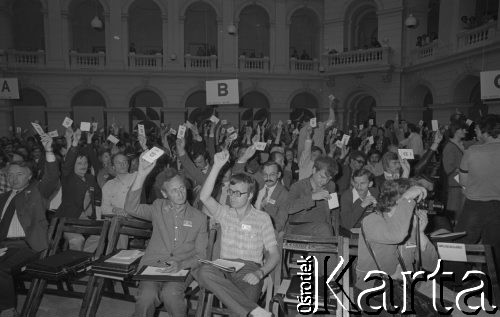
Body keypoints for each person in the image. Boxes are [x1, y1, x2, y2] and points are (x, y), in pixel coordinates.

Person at [196, 150, 279, 317]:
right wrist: (217, 166)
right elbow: (204, 197)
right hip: (223, 267)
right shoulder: (225, 212)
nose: (232, 197)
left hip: (248, 270)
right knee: (203, 271)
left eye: (237, 193)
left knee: (237, 311)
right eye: (230, 192)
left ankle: (245, 310)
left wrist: (259, 273)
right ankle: (254, 311)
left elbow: (274, 255)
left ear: (249, 196)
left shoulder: (263, 218)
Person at [125, 156, 208, 317]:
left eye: (182, 188)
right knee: (145, 297)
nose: (180, 193)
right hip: (153, 265)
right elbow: (130, 207)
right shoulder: (158, 207)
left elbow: (202, 255)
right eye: (174, 190)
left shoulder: (199, 217)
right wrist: (141, 175)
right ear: (164, 193)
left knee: (171, 296)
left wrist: (182, 264)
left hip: (182, 268)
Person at [0, 135, 59, 317]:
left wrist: (48, 151)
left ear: (30, 176)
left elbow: (52, 177)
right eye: (10, 175)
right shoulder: (2, 197)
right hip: (4, 246)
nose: (13, 179)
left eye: (19, 175)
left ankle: (8, 311)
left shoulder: (35, 191)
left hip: (28, 245)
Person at [457, 114, 500, 276]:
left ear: (484, 131)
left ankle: (457, 281)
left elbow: (463, 180)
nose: (475, 132)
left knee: (461, 243)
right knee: (495, 249)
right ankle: (493, 290)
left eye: (476, 129)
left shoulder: (472, 152)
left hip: (475, 205)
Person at [56, 128, 102, 251]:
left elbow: (98, 197)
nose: (83, 166)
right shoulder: (68, 177)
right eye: (79, 163)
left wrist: (97, 217)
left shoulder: (90, 178)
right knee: (77, 240)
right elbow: (68, 163)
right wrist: (74, 143)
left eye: (85, 163)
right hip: (68, 219)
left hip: (87, 220)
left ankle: (85, 259)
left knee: (101, 235)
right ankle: (74, 262)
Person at [101, 153, 137, 248]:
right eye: (118, 162)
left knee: (117, 222)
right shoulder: (108, 185)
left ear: (128, 164)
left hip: (135, 217)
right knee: (116, 221)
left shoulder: (136, 177)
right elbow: (104, 209)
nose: (122, 164)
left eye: (125, 162)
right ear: (113, 167)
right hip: (118, 219)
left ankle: (115, 256)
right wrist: (115, 210)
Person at [441, 122, 466, 223]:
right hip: (454, 184)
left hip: (460, 183)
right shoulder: (450, 147)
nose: (465, 131)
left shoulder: (460, 145)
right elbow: (448, 167)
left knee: (459, 214)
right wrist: (461, 169)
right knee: (455, 215)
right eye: (463, 129)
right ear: (456, 131)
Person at [255, 161, 289, 234]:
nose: (268, 178)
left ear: (279, 175)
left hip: (270, 234)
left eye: (272, 174)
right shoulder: (257, 188)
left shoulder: (284, 194)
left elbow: (280, 223)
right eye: (265, 175)